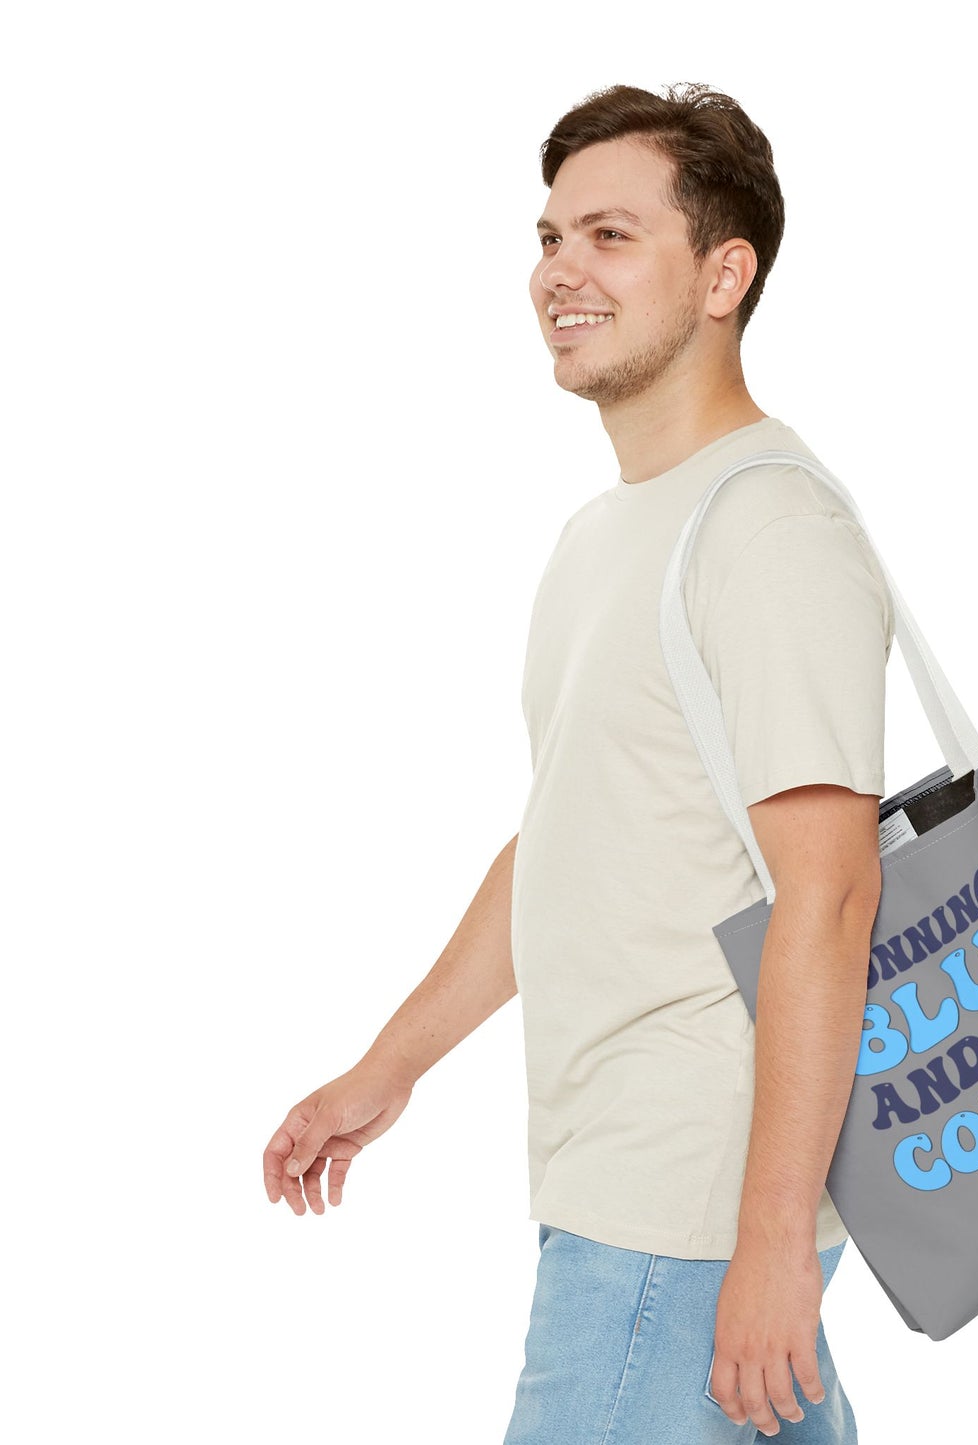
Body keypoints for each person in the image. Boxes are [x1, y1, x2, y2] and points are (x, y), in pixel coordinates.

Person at [262, 81, 893, 1443]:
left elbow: (833, 893)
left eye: (611, 235)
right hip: (626, 1188)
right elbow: (567, 841)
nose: (560, 271)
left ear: (723, 275)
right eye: (550, 237)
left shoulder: (767, 529)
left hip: (680, 1213)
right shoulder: (606, 536)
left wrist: (770, 1245)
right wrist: (388, 1069)